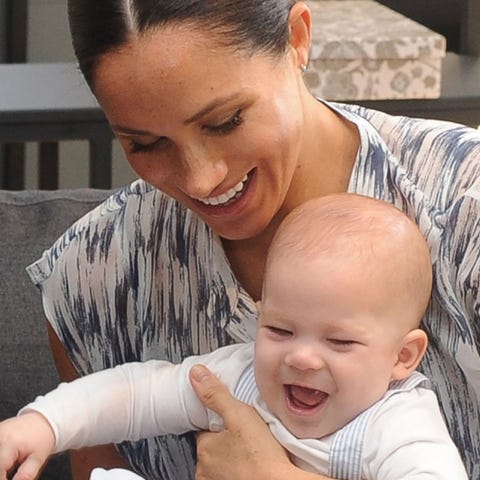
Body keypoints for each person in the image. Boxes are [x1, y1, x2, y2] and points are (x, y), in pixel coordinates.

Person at [21, 0, 480, 478]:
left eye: (225, 121)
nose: (200, 181)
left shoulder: (464, 208)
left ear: (297, 38)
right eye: (145, 144)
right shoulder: (94, 278)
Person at [0, 194, 468, 480]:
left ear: (402, 357)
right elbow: (137, 394)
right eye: (280, 330)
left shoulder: (399, 426)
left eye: (340, 342)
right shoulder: (239, 376)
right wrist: (42, 424)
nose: (302, 358)